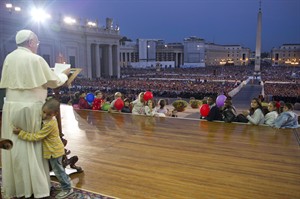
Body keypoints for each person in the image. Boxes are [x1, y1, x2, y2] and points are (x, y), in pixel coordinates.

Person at [0, 29, 69, 198]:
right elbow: (54, 81)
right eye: (36, 43)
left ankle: (18, 186)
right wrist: (63, 74)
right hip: (30, 109)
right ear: (31, 42)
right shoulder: (35, 59)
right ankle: (36, 188)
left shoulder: (9, 57)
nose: (37, 46)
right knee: (31, 146)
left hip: (10, 107)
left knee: (16, 147)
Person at [12, 98, 73, 198]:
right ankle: (65, 184)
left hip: (54, 151)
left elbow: (37, 136)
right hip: (52, 150)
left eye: (48, 114)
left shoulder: (50, 123)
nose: (45, 115)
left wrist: (21, 133)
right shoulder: (46, 120)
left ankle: (67, 188)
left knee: (58, 171)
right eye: (44, 112)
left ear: (55, 114)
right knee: (57, 170)